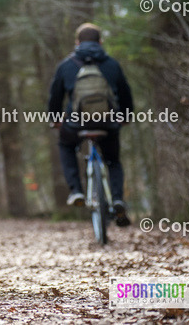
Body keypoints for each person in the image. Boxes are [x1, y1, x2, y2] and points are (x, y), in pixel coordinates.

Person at [48, 23, 133, 227]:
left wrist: (55, 119)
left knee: (66, 146)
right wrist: (125, 116)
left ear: (77, 42)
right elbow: (125, 94)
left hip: (76, 124)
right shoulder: (111, 64)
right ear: (100, 42)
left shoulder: (66, 65)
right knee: (113, 160)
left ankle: (76, 191)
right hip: (107, 123)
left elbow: (55, 97)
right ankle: (117, 198)